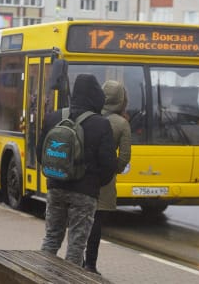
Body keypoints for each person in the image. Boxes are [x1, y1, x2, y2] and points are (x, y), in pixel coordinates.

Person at [36, 74, 117, 267]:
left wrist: (55, 176)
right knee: (76, 244)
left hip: (56, 187)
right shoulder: (101, 123)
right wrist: (95, 183)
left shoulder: (54, 117)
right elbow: (109, 164)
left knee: (51, 237)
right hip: (85, 192)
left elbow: (41, 153)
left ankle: (41, 277)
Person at [84, 80, 132, 274]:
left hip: (84, 176)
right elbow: (125, 155)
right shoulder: (121, 123)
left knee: (81, 219)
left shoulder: (89, 116)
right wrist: (114, 169)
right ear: (121, 99)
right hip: (105, 180)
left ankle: (76, 259)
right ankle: (90, 265)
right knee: (96, 221)